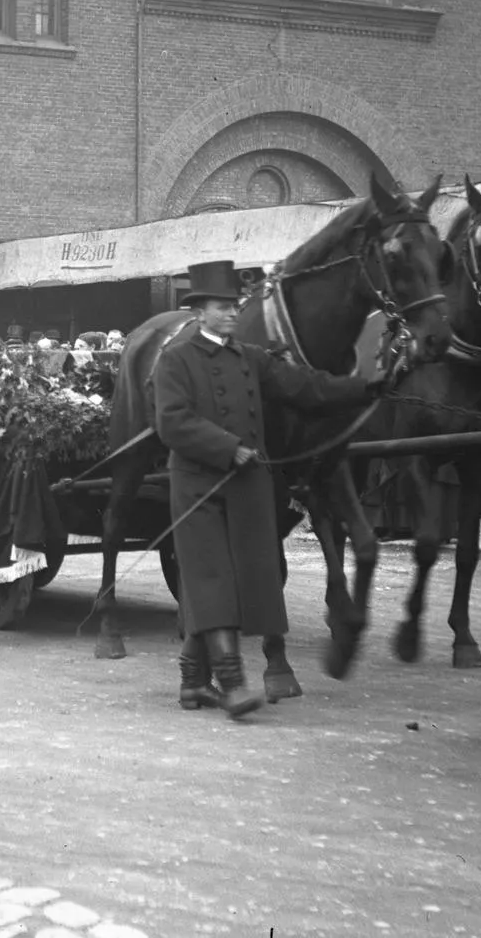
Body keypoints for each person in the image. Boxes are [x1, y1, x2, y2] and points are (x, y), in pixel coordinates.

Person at [154, 261, 391, 718]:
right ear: (200, 310)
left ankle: (191, 683)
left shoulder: (250, 357)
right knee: (211, 580)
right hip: (200, 486)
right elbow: (172, 422)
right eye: (222, 307)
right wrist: (228, 448)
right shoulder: (175, 358)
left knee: (254, 579)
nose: (231, 314)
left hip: (248, 487)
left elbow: (306, 387)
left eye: (235, 307)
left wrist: (365, 387)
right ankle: (232, 684)